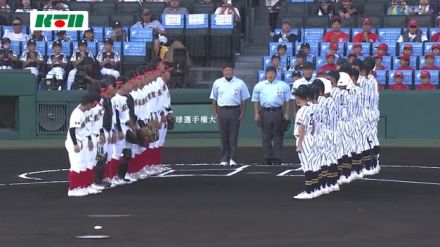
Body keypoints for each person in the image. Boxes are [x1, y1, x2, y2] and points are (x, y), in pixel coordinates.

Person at [210, 64, 250, 166]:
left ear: (233, 71)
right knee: (223, 136)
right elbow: (214, 99)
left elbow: (244, 99)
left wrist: (242, 112)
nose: (228, 72)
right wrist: (215, 113)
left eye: (230, 70)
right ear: (223, 72)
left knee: (233, 136)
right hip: (222, 110)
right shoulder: (217, 82)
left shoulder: (240, 83)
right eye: (226, 70)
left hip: (235, 110)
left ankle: (233, 159)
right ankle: (224, 159)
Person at [251, 66, 291, 166]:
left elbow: (287, 101)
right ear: (265, 74)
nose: (270, 74)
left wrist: (286, 113)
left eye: (272, 73)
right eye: (268, 73)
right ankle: (267, 157)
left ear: (276, 74)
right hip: (265, 112)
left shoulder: (283, 85)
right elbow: (255, 101)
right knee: (266, 136)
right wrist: (256, 113)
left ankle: (277, 157)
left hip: (278, 111)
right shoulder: (259, 85)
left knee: (278, 136)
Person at [65, 93, 100, 197]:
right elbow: (72, 130)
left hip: (82, 141)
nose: (93, 106)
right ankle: (73, 189)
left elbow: (85, 128)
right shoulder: (77, 113)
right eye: (92, 104)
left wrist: (89, 139)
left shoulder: (84, 112)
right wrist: (75, 144)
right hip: (74, 142)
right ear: (88, 104)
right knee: (77, 166)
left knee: (85, 165)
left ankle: (84, 186)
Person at [293, 85, 315, 199]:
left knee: (307, 166)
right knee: (311, 165)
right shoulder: (310, 107)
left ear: (299, 97)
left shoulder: (301, 111)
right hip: (310, 137)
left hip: (304, 139)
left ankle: (309, 191)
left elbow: (301, 128)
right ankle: (313, 189)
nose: (295, 98)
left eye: (296, 96)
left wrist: (300, 144)